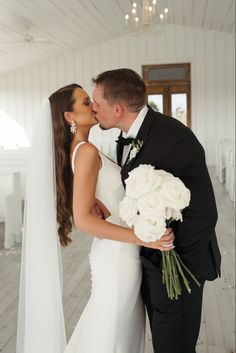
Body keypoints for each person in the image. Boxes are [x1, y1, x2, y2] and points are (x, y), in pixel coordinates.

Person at [16, 83, 174, 353]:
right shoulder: (86, 153)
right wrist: (145, 238)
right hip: (117, 258)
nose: (94, 106)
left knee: (115, 334)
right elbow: (84, 220)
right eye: (86, 103)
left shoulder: (84, 150)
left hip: (122, 254)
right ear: (70, 117)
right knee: (109, 335)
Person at [92, 69, 221, 353]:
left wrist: (172, 264)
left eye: (96, 102)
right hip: (150, 260)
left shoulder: (173, 136)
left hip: (178, 266)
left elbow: (205, 213)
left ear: (117, 108)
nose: (93, 108)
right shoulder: (131, 135)